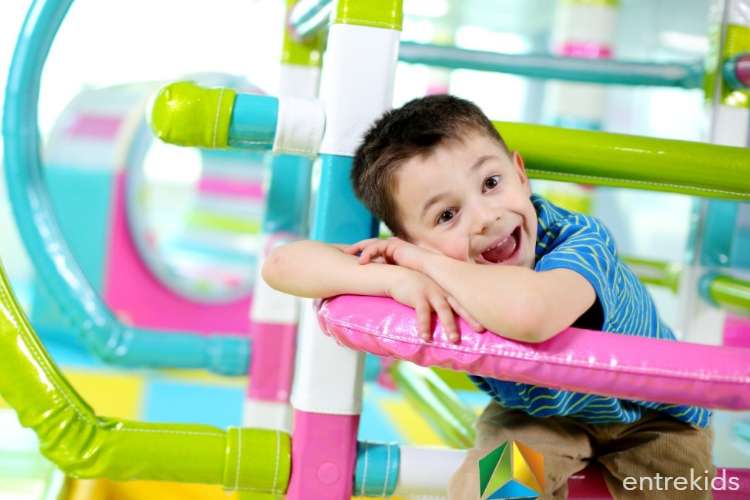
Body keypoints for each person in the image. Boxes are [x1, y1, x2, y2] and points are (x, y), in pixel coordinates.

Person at [261, 95, 714, 499]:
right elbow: (282, 265)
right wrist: (391, 280)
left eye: (492, 183)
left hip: (655, 419)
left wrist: (425, 263)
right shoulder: (420, 265)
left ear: (520, 175)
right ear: (411, 239)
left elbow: (531, 314)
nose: (484, 218)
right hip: (538, 418)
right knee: (493, 491)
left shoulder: (579, 240)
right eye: (446, 215)